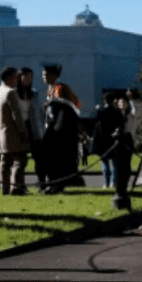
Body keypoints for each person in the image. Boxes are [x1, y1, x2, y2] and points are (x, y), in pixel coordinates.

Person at [41, 63, 82, 193]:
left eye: (47, 74)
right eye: (43, 74)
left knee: (57, 159)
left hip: (61, 129)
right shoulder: (50, 88)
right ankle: (52, 183)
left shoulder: (60, 87)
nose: (44, 77)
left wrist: (53, 101)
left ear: (55, 75)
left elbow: (72, 105)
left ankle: (57, 184)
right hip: (53, 126)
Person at [0, 67, 29, 195]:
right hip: (13, 133)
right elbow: (17, 116)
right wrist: (23, 132)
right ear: (10, 78)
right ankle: (16, 187)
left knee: (4, 163)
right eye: (16, 77)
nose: (17, 80)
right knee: (20, 161)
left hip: (1, 133)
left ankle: (5, 188)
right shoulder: (11, 92)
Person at [92, 92, 124, 188]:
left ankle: (106, 182)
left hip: (104, 140)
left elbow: (98, 128)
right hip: (114, 139)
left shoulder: (101, 113)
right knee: (114, 163)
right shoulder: (117, 112)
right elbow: (121, 124)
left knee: (105, 163)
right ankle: (113, 182)